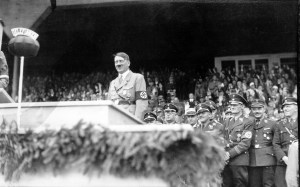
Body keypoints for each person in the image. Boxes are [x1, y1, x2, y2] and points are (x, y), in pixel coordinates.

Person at [222, 93, 255, 187]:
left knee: (240, 185)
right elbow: (223, 139)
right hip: (226, 160)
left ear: (242, 106)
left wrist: (228, 154)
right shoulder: (227, 121)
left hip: (239, 159)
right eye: (231, 105)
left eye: (235, 105)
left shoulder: (248, 120)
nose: (232, 107)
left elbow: (245, 143)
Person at [108, 52, 148, 120]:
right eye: (116, 62)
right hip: (115, 120)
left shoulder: (137, 78)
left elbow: (141, 103)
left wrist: (136, 122)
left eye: (121, 61)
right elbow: (109, 105)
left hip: (129, 118)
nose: (118, 64)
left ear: (128, 63)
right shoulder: (113, 83)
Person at [249, 98, 276, 187]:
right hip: (253, 160)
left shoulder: (272, 123)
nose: (257, 111)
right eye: (254, 109)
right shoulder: (248, 123)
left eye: (259, 109)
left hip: (267, 159)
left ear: (264, 109)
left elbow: (275, 142)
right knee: (254, 184)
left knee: (268, 184)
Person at [273, 97, 298, 187]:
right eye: (284, 107)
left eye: (288, 106)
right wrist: (284, 158)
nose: (285, 109)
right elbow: (275, 144)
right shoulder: (279, 124)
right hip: (283, 162)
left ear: (296, 107)